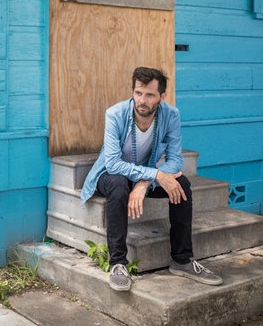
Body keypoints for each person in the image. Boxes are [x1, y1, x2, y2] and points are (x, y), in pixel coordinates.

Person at [81, 66, 222, 291]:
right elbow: (113, 164)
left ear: (161, 97)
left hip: (143, 175)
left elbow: (175, 159)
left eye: (149, 95)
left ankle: (182, 260)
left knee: (182, 184)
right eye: (138, 93)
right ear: (133, 91)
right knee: (118, 185)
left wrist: (145, 183)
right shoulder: (115, 114)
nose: (142, 100)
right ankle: (118, 263)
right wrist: (155, 174)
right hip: (110, 175)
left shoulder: (170, 115)